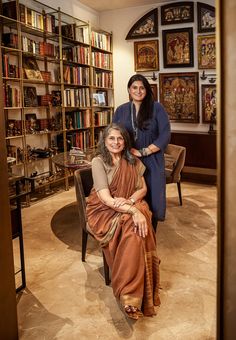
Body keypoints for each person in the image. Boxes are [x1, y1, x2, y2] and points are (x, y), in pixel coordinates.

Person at [86, 123, 161, 320]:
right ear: (104, 141)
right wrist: (132, 210)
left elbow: (142, 189)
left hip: (127, 203)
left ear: (125, 141)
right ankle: (131, 292)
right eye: (111, 138)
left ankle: (131, 296)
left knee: (134, 229)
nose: (116, 142)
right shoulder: (98, 161)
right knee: (133, 224)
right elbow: (105, 198)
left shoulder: (132, 160)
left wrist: (130, 202)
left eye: (120, 139)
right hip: (103, 210)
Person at [113, 74, 171, 230]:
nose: (138, 91)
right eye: (134, 87)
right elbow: (113, 132)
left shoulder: (157, 107)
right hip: (129, 159)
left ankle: (151, 232)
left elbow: (165, 134)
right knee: (130, 194)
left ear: (147, 90)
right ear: (129, 89)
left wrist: (144, 151)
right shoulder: (121, 110)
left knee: (152, 196)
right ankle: (131, 231)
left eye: (142, 87)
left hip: (152, 159)